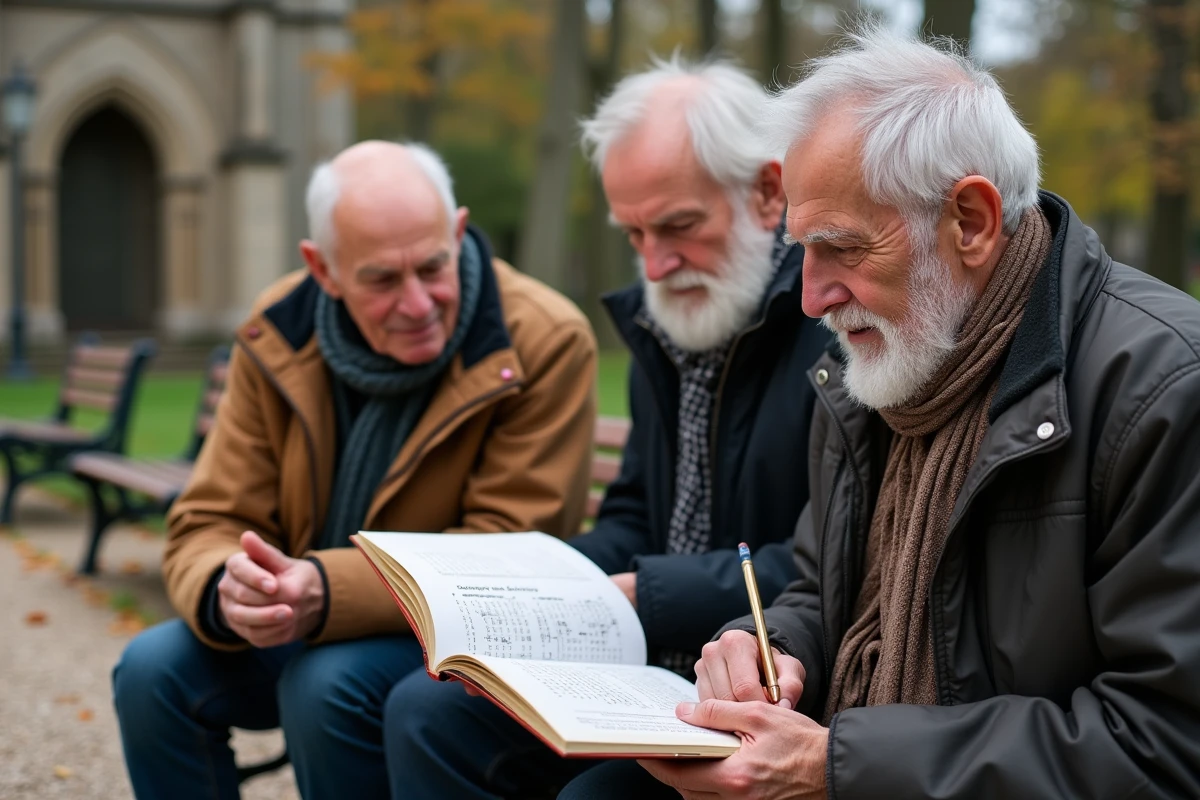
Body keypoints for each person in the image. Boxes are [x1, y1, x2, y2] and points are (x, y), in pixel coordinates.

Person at [560, 26, 1200, 800]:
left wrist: (830, 767)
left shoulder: (1163, 389)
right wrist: (763, 649)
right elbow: (818, 594)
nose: (810, 296)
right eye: (803, 249)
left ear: (970, 220)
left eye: (842, 249)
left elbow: (1165, 743)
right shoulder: (877, 366)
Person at [382, 56, 828, 799]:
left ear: (767, 191)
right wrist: (545, 595)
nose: (656, 263)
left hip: (772, 681)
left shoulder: (834, 328)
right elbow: (634, 513)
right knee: (424, 710)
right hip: (650, 663)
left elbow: (831, 566)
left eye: (680, 225)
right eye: (633, 234)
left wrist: (639, 594)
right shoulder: (673, 319)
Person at [111, 140, 598, 799]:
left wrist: (325, 589)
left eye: (433, 266)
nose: (419, 303)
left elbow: (506, 555)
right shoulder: (278, 328)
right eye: (381, 280)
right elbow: (211, 515)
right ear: (324, 270)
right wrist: (230, 592)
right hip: (300, 610)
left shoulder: (544, 339)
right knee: (150, 672)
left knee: (327, 686)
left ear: (457, 231)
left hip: (448, 633)